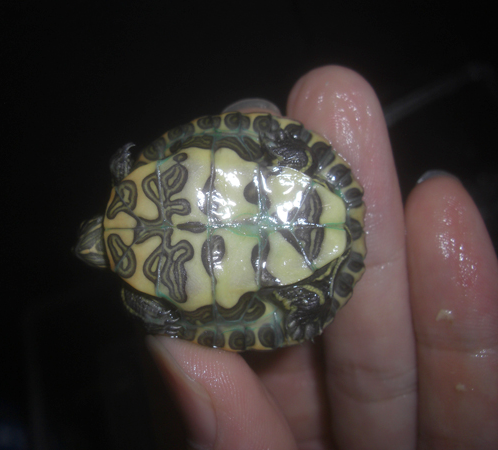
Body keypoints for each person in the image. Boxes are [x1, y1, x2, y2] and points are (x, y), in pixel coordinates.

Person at [144, 66, 498, 450]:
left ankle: (297, 292)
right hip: (291, 204)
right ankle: (298, 291)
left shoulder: (145, 289)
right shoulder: (147, 176)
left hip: (294, 227)